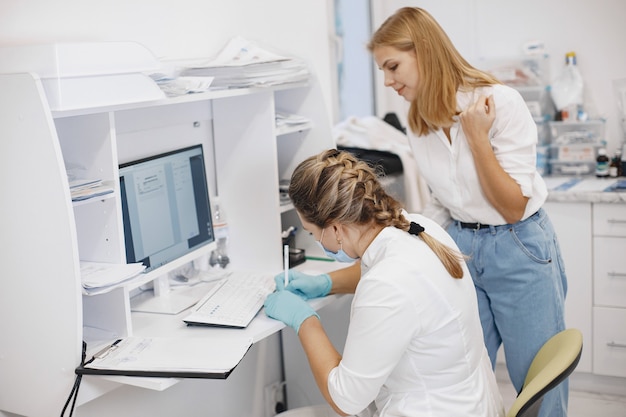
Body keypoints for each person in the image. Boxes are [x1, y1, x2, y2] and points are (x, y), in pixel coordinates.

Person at [366, 7, 568, 417]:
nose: (388, 81)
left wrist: (477, 138)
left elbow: (512, 207)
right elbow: (443, 202)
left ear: (423, 50)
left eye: (393, 66)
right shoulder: (418, 121)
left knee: (537, 383)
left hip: (518, 246)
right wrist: (394, 237)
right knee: (462, 372)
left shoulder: (499, 102)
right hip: (461, 248)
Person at [264, 149, 504, 417]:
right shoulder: (418, 228)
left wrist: (304, 320)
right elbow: (383, 273)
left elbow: (345, 400)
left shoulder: (387, 285)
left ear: (335, 228)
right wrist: (323, 283)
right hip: (469, 401)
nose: (318, 243)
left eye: (313, 233)